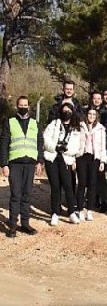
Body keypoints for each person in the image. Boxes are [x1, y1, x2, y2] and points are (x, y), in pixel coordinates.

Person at [0, 96, 44, 237]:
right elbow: (4, 144)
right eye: (21, 105)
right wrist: (4, 164)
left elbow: (39, 144)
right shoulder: (9, 122)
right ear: (17, 106)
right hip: (15, 164)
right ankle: (12, 226)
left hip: (30, 164)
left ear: (29, 107)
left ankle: (25, 224)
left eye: (25, 105)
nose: (23, 107)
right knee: (15, 195)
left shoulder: (35, 124)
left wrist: (40, 161)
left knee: (26, 195)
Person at [43, 102, 85, 225]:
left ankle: (72, 212)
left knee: (68, 185)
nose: (66, 113)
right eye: (64, 110)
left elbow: (79, 145)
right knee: (55, 186)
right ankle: (55, 213)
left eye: (69, 111)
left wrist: (67, 150)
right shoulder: (54, 124)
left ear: (72, 112)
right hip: (53, 157)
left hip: (67, 159)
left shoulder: (77, 127)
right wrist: (55, 147)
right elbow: (46, 138)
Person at [76, 109, 107, 222]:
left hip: (95, 158)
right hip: (82, 156)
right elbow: (75, 142)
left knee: (92, 184)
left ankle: (89, 210)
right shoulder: (80, 126)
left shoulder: (101, 129)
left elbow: (103, 146)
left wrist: (103, 161)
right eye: (90, 114)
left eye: (94, 114)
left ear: (97, 116)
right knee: (82, 184)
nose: (92, 116)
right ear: (86, 115)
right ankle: (80, 210)